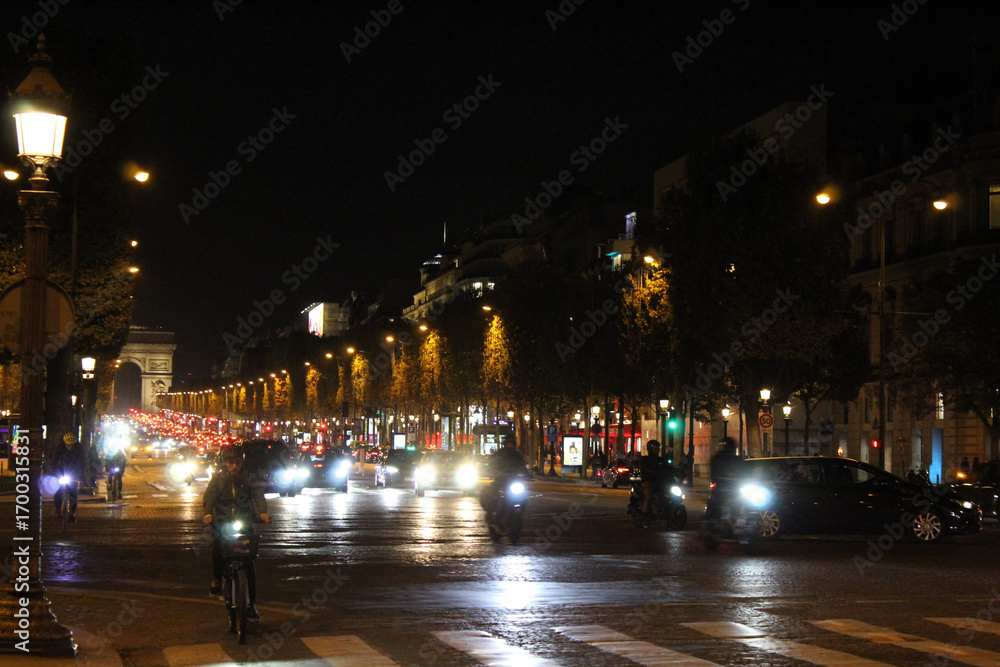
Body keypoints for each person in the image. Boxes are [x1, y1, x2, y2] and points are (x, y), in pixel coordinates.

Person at [202, 447, 270, 620]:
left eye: (237, 462)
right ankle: (216, 578)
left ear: (242, 463)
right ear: (225, 463)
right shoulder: (218, 479)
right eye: (231, 462)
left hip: (245, 521)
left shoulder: (248, 478)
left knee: (249, 563)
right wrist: (208, 513)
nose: (234, 466)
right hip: (223, 522)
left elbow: (258, 494)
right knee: (218, 544)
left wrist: (263, 512)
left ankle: (251, 604)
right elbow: (209, 497)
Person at [483, 435, 528, 512]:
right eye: (508, 443)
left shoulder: (517, 455)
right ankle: (491, 511)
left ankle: (519, 509)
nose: (510, 445)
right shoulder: (499, 454)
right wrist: (490, 471)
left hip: (513, 480)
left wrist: (528, 475)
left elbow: (522, 466)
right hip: (500, 479)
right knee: (491, 492)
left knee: (522, 495)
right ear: (505, 444)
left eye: (511, 443)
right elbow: (492, 464)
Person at [53, 432, 87, 522]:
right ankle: (57, 507)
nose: (70, 447)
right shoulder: (59, 449)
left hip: (73, 472)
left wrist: (80, 477)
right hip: (61, 471)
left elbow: (81, 463)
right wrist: (53, 474)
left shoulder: (79, 450)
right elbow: (53, 461)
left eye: (72, 445)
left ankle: (71, 513)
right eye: (68, 445)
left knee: (72, 493)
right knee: (58, 490)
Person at [638, 440, 668, 516]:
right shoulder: (646, 459)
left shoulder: (661, 459)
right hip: (648, 480)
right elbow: (646, 468)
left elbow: (667, 468)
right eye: (655, 448)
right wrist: (653, 471)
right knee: (649, 495)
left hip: (659, 481)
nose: (657, 450)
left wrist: (677, 471)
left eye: (658, 448)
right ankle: (644, 516)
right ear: (650, 449)